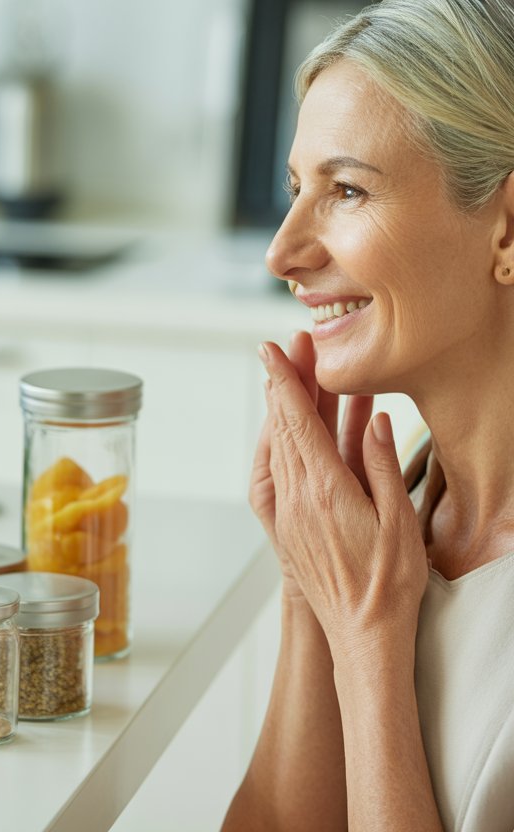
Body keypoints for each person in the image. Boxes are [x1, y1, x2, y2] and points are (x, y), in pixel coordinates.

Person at [221, 1, 514, 830]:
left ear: (508, 228)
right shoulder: (397, 505)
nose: (283, 251)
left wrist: (366, 640)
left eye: (346, 189)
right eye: (295, 188)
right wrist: (309, 582)